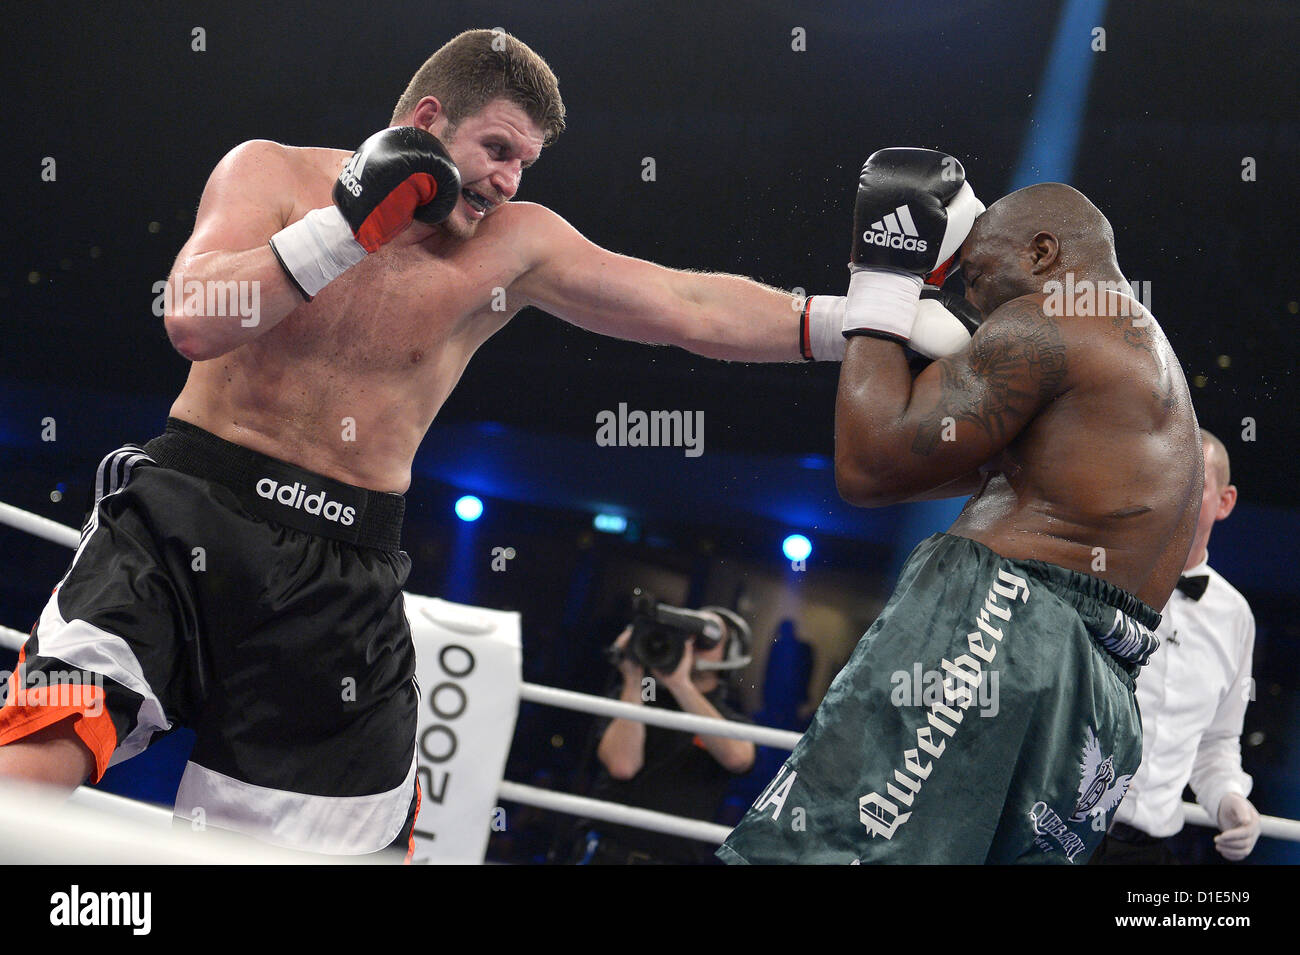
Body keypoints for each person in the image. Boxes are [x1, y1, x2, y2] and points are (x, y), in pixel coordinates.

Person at [0, 28, 911, 858]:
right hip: (185, 514)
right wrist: (346, 228)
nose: (512, 180)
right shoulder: (271, 174)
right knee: (33, 764)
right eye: (500, 149)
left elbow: (683, 305)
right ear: (429, 121)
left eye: (529, 162)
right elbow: (196, 319)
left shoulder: (513, 244)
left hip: (341, 573)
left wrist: (850, 320)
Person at [719, 151, 1204, 864]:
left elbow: (868, 462)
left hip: (1000, 630)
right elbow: (914, 470)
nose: (974, 306)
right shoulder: (1144, 363)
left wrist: (883, 278)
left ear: (1043, 251)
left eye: (976, 277)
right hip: (1099, 695)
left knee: (828, 854)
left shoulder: (1047, 318)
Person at [1090, 429, 1260, 864]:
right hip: (1054, 835)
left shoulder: (1235, 617)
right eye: (1169, 477)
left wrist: (1229, 800)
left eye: (1195, 483)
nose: (1177, 493)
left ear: (1225, 502)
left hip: (1149, 852)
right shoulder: (1098, 577)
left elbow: (1217, 742)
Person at [576, 608, 755, 864]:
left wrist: (680, 684)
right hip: (606, 855)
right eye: (685, 634)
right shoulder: (634, 697)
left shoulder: (731, 720)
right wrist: (632, 677)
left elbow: (738, 758)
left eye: (705, 639)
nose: (691, 646)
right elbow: (622, 765)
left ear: (730, 654)